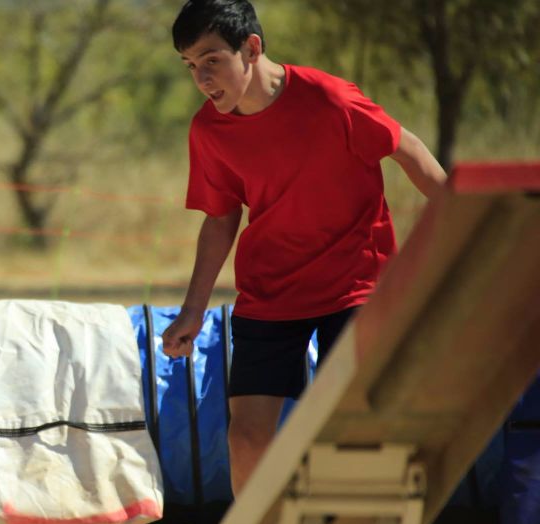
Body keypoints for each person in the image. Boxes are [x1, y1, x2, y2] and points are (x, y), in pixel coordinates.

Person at [161, 0, 448, 495]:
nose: (203, 79)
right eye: (191, 66)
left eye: (212, 60)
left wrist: (465, 232)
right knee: (247, 437)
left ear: (251, 48)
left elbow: (411, 151)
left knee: (352, 429)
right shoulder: (209, 129)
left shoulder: (331, 100)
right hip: (270, 292)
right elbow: (220, 217)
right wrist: (193, 310)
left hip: (358, 286)